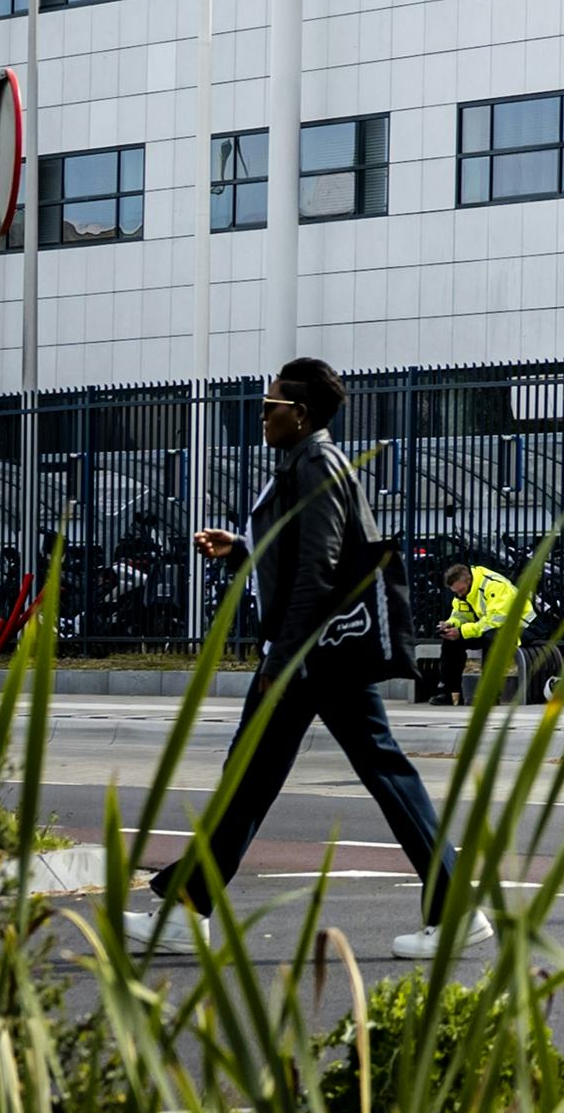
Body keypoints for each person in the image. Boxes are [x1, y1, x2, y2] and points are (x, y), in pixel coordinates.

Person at [146, 357, 453, 957]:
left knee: (373, 771)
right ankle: (186, 909)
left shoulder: (317, 464)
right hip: (316, 654)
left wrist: (280, 662)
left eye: (271, 407)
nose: (262, 416)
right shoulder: (302, 462)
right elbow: (297, 557)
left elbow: (317, 571)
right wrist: (242, 549)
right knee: (256, 777)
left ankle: (454, 908)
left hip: (313, 657)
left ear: (301, 413)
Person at [426, 556, 525, 707]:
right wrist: (451, 624)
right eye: (456, 592)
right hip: (486, 628)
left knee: (492, 638)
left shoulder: (493, 585)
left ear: (469, 581)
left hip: (520, 628)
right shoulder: (463, 592)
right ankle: (449, 693)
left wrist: (462, 632)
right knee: (451, 641)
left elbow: (495, 621)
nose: (459, 595)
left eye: (461, 591)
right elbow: (461, 614)